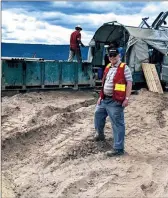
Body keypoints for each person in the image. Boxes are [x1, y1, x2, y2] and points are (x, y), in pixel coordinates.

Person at [94, 48, 133, 156]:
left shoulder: (124, 68)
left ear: (119, 56)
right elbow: (104, 82)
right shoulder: (108, 67)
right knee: (97, 114)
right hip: (104, 99)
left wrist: (127, 98)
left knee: (117, 124)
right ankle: (100, 134)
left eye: (114, 55)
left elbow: (129, 83)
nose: (112, 57)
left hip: (116, 101)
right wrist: (100, 97)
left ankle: (118, 149)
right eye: (110, 56)